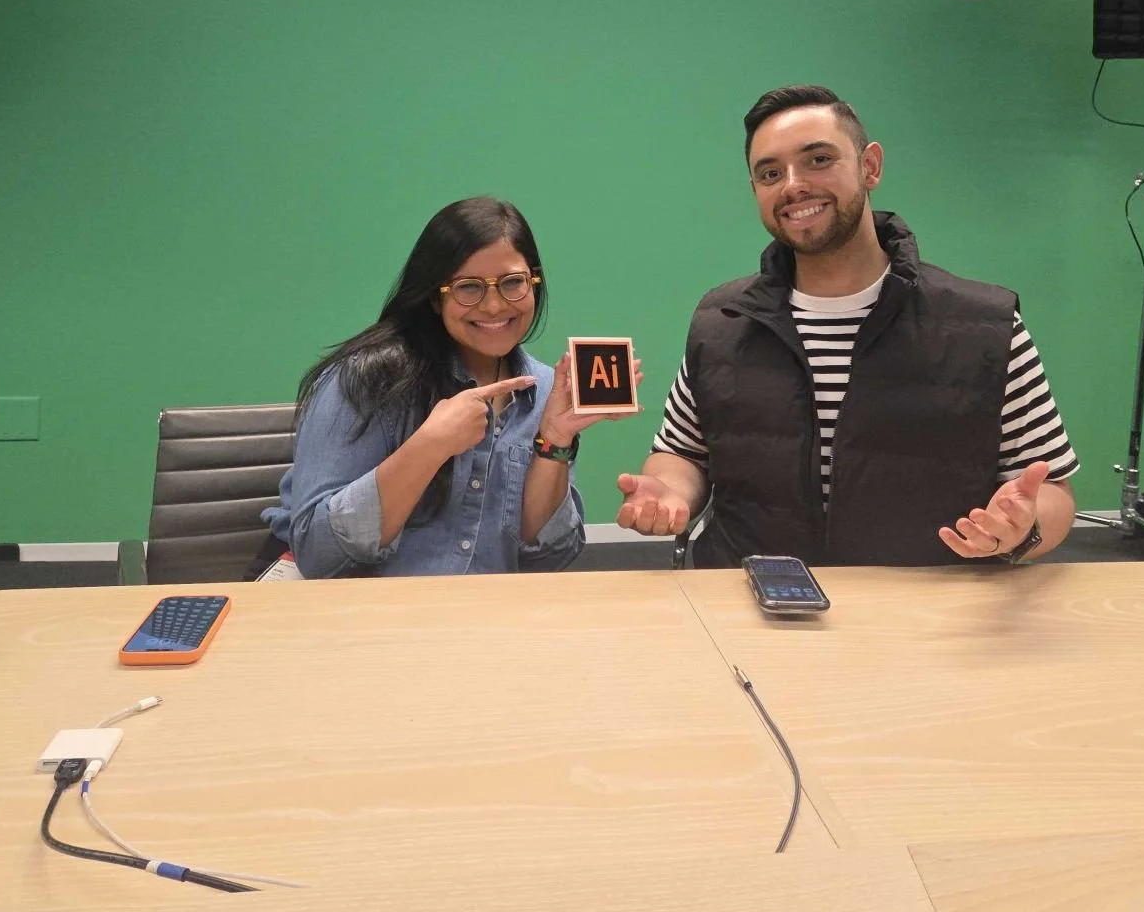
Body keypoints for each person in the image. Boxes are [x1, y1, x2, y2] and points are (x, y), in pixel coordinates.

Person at [617, 86, 1078, 567]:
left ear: (870, 166)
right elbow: (682, 452)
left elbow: (1050, 490)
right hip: (748, 595)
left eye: (818, 160)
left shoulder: (986, 326)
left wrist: (1021, 528)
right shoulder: (722, 322)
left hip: (928, 603)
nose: (793, 185)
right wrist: (669, 491)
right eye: (770, 173)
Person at [264, 196, 634, 578]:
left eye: (513, 283)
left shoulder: (545, 392)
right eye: (468, 287)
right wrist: (430, 446)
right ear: (435, 297)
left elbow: (548, 561)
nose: (494, 306)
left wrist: (553, 443)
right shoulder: (364, 379)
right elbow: (318, 554)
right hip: (361, 608)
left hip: (481, 611)